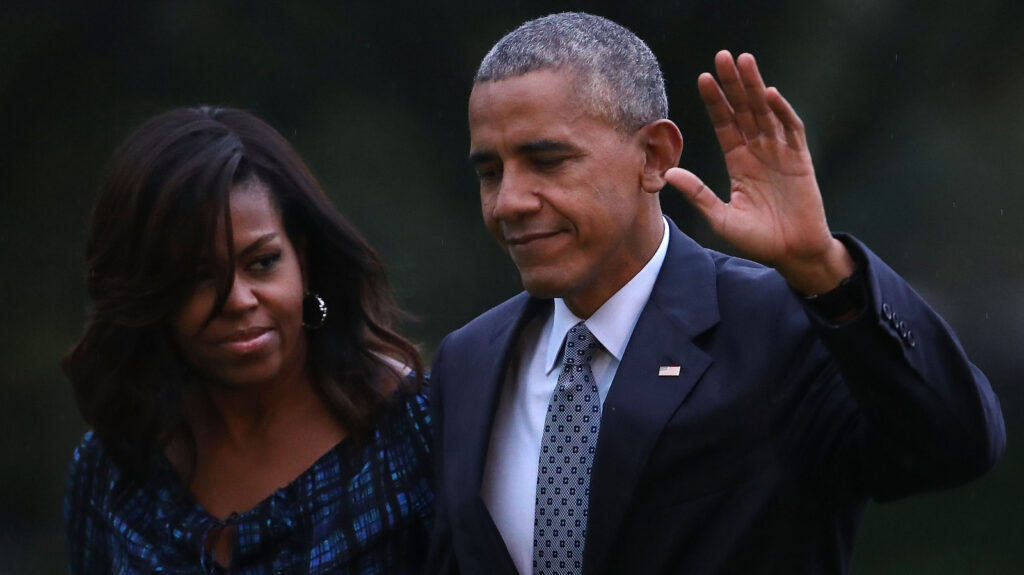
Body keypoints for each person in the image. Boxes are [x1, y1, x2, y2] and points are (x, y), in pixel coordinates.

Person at [427, 12, 1005, 575]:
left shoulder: (783, 325)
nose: (508, 202)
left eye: (546, 161)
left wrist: (824, 268)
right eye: (490, 173)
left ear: (654, 157)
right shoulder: (468, 361)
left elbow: (954, 447)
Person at [63, 107, 433, 574]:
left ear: (303, 257)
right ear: (148, 293)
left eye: (262, 263)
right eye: (199, 277)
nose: (237, 300)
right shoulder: (114, 469)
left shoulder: (415, 430)